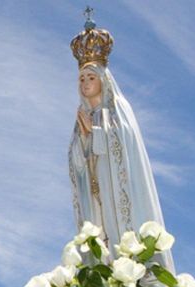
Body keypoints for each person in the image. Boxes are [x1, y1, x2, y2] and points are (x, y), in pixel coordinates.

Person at [68, 12, 174, 271]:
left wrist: (96, 134)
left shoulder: (118, 109)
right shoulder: (82, 117)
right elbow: (76, 165)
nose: (85, 83)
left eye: (91, 77)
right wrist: (83, 141)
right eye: (81, 78)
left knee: (124, 244)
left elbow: (125, 144)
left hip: (118, 194)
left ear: (103, 80)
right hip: (95, 198)